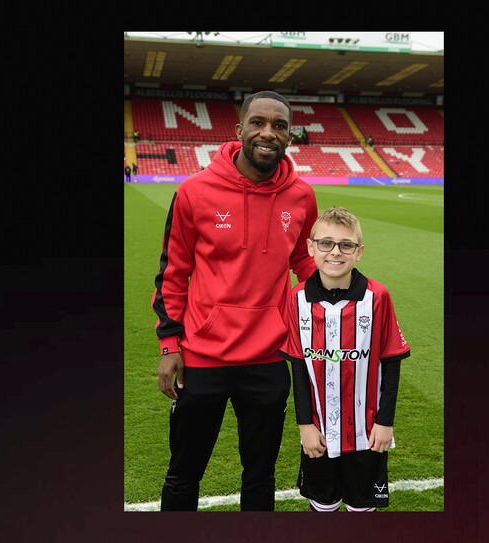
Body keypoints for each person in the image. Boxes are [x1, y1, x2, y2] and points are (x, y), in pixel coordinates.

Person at [151, 90, 319, 511]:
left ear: (289, 135)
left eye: (279, 126)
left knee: (260, 477)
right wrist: (170, 345)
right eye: (258, 123)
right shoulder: (194, 191)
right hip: (202, 358)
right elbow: (173, 274)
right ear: (240, 129)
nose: (268, 133)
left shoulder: (301, 195)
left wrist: (335, 304)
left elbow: (304, 258)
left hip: (267, 358)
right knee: (183, 475)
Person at [277, 206, 410, 512]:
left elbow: (392, 361)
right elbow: (298, 366)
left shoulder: (378, 298)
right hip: (319, 431)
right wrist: (304, 427)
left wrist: (385, 423)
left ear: (358, 252)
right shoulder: (296, 298)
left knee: (361, 507)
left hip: (367, 432)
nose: (335, 253)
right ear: (311, 248)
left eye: (346, 245)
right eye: (326, 243)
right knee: (323, 504)